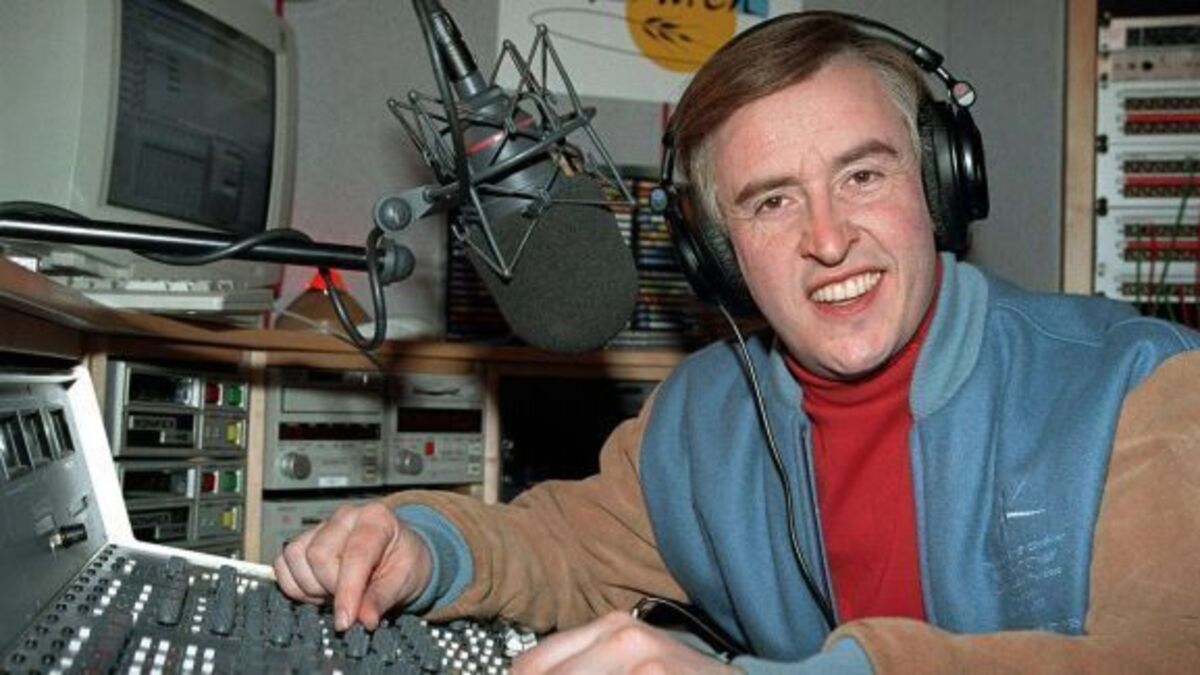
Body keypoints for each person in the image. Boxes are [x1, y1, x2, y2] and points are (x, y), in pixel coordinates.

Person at [275, 12, 1200, 674]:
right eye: (772, 201)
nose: (828, 239)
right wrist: (421, 544)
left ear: (940, 185)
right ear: (718, 255)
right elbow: (563, 545)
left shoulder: (1139, 385)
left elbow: (1161, 651)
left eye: (863, 176)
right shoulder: (703, 415)